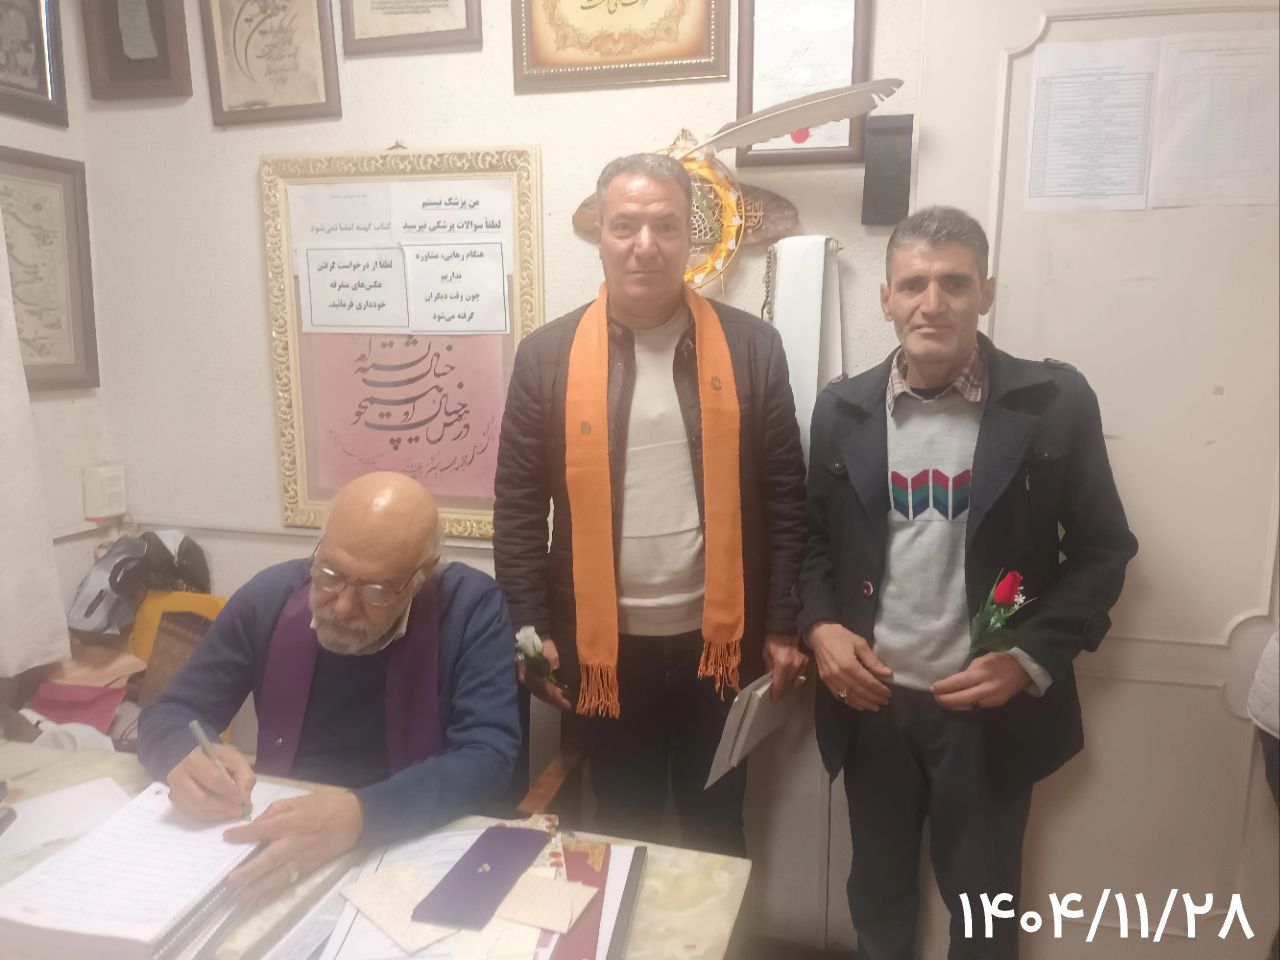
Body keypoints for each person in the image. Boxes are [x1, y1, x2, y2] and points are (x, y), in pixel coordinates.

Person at [799, 206, 1138, 959]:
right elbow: (815, 542)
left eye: (954, 283)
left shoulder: (1052, 404)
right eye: (912, 284)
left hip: (988, 714)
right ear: (885, 299)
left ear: (985, 292)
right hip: (874, 704)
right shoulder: (842, 409)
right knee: (877, 904)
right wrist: (820, 628)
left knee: (984, 917)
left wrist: (1028, 657)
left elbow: (1102, 550)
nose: (933, 303)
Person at [493, 153, 808, 856]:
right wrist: (529, 631)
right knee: (618, 829)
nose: (645, 244)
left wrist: (785, 622)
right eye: (625, 225)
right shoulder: (545, 358)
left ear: (689, 236)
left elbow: (787, 496)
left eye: (665, 225)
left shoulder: (754, 349)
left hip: (720, 647)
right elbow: (518, 507)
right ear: (600, 236)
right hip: (601, 651)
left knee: (715, 830)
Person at [138, 472, 520, 903]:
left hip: (407, 838)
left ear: (423, 575)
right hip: (283, 831)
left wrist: (361, 815)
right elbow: (171, 712)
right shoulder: (269, 598)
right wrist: (180, 756)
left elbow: (488, 755)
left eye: (376, 591)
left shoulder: (469, 608)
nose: (342, 606)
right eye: (330, 573)